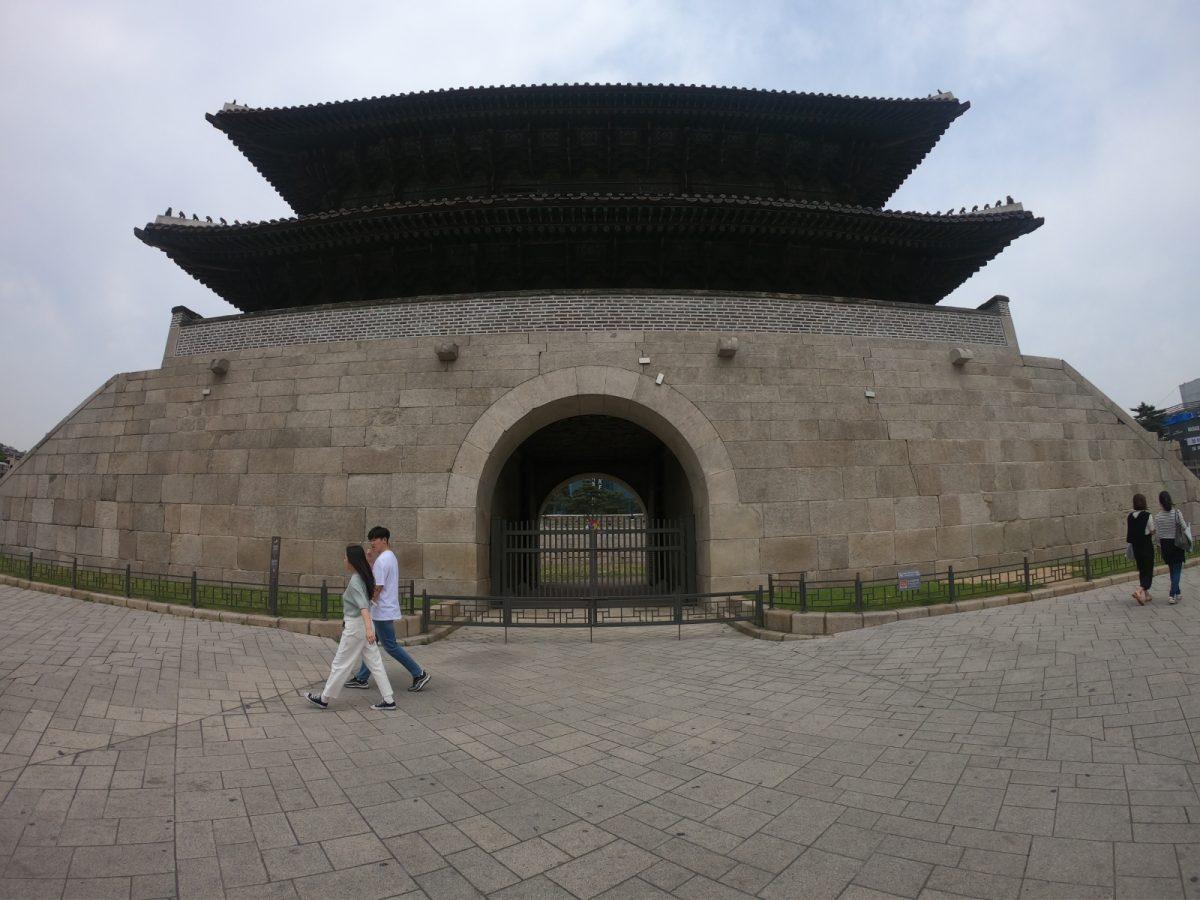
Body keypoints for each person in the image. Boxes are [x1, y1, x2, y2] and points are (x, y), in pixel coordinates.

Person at [306, 545, 396, 710]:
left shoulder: (356, 580)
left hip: (356, 628)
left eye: (346, 557)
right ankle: (388, 700)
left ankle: (324, 699)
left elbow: (363, 607)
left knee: (341, 663)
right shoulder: (364, 576)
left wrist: (368, 630)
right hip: (362, 626)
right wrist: (369, 629)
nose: (344, 560)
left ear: (352, 560)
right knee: (375, 663)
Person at [345, 526, 431, 693]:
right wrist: (370, 561)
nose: (372, 543)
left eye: (375, 540)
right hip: (384, 608)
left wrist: (368, 602)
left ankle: (419, 673)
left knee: (390, 646)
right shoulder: (389, 557)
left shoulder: (383, 560)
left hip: (381, 610)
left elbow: (378, 587)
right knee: (371, 644)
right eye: (371, 540)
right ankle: (362, 677)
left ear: (384, 540)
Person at [1153, 491, 1190, 605]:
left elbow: (1158, 535)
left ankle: (1177, 592)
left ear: (1160, 502)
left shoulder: (1158, 517)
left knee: (1172, 570)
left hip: (1165, 545)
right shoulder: (1177, 513)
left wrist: (1159, 546)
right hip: (1177, 544)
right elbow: (1184, 527)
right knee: (1177, 570)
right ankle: (1171, 594)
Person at [1126, 493, 1156, 605]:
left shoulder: (1130, 516)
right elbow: (1152, 529)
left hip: (1136, 548)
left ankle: (1145, 595)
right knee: (1148, 570)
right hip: (1146, 546)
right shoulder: (1147, 515)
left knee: (1142, 570)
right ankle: (1139, 590)